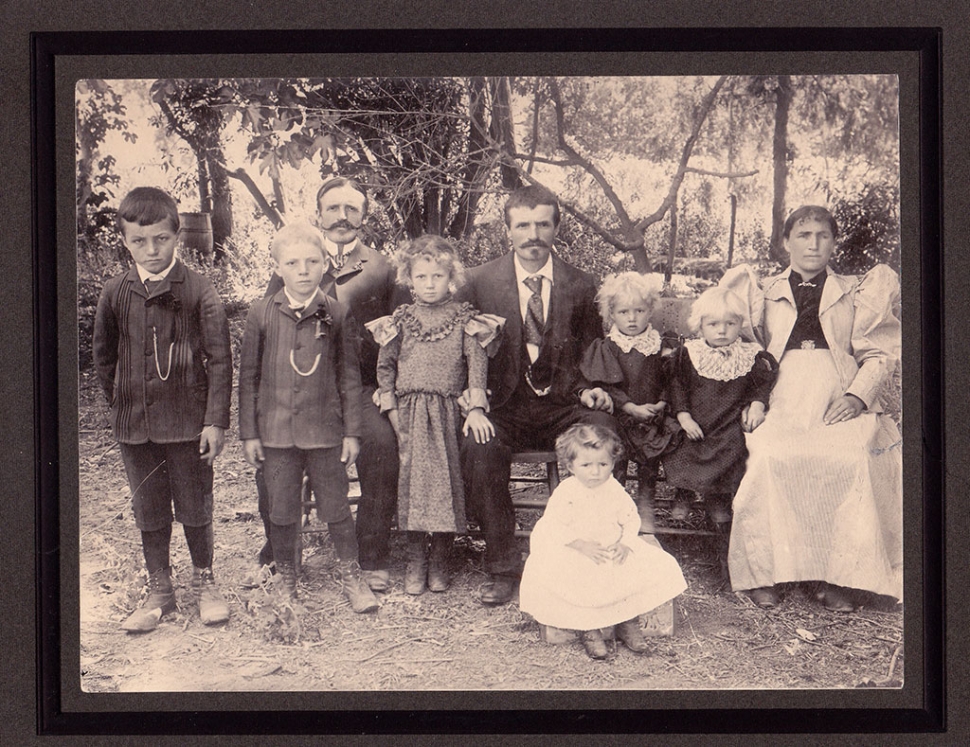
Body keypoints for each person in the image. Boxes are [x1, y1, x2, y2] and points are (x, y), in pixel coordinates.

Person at [720, 205, 903, 611]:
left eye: (822, 235)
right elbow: (747, 351)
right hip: (779, 394)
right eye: (803, 236)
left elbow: (878, 353)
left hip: (836, 390)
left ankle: (840, 577)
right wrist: (756, 397)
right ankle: (766, 572)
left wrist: (857, 395)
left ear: (833, 243)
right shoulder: (762, 292)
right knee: (769, 457)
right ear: (786, 242)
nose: (814, 244)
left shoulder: (855, 290)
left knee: (851, 458)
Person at [456, 185, 616, 606]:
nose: (533, 235)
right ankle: (503, 566)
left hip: (563, 406)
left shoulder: (581, 284)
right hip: (504, 406)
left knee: (603, 433)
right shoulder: (478, 281)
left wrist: (590, 389)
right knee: (479, 446)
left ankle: (591, 553)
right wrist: (472, 400)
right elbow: (461, 350)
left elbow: (590, 349)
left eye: (542, 224)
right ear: (508, 230)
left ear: (556, 227)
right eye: (523, 225)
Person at [246, 177, 405, 594]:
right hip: (299, 394)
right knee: (274, 458)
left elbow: (400, 333)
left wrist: (385, 385)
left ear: (364, 217)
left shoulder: (383, 268)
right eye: (333, 208)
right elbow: (269, 328)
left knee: (381, 445)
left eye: (352, 209)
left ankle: (370, 557)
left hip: (361, 389)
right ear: (319, 214)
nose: (342, 217)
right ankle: (280, 553)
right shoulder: (299, 259)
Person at [93, 186, 232, 633]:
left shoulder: (197, 289)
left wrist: (213, 421)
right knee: (149, 509)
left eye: (161, 239)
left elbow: (219, 358)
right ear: (125, 240)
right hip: (136, 429)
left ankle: (205, 582)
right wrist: (125, 403)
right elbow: (104, 359)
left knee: (194, 504)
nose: (151, 250)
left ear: (177, 236)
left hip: (189, 426)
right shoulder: (115, 293)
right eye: (139, 241)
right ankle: (161, 591)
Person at [238, 222, 378, 613]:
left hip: (325, 433)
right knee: (281, 509)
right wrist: (250, 433)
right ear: (277, 267)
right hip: (276, 433)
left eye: (312, 261)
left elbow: (349, 376)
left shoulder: (336, 310)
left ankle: (352, 574)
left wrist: (352, 432)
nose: (303, 270)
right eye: (293, 263)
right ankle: (287, 579)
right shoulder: (261, 312)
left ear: (324, 265)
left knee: (336, 505)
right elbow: (248, 376)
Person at [367, 235, 503, 595]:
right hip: (409, 411)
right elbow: (385, 369)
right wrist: (393, 413)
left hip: (447, 412)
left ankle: (442, 556)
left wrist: (474, 408)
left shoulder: (466, 319)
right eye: (422, 277)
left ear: (451, 277)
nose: (429, 284)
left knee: (446, 481)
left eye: (437, 277)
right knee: (411, 481)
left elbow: (477, 368)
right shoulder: (400, 319)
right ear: (409, 279)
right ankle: (415, 557)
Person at [519, 424, 687, 660]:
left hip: (609, 544)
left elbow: (630, 518)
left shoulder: (613, 488)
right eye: (586, 465)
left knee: (634, 567)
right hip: (576, 547)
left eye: (603, 465)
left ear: (612, 463)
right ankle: (589, 628)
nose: (595, 472)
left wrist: (626, 542)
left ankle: (626, 620)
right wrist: (580, 545)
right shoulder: (567, 492)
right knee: (580, 576)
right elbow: (555, 526)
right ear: (570, 466)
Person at [661, 286, 778, 576]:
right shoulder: (690, 353)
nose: (722, 331)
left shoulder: (750, 355)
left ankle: (719, 502)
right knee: (683, 443)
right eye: (713, 324)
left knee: (734, 448)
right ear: (700, 326)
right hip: (695, 422)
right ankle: (684, 491)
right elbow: (677, 385)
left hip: (726, 424)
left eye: (730, 324)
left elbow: (761, 385)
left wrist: (757, 403)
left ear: (741, 325)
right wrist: (684, 415)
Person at [579, 271, 679, 533]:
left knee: (650, 459)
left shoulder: (660, 344)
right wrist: (628, 406)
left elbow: (672, 380)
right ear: (611, 314)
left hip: (652, 415)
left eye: (639, 310)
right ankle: (615, 507)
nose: (632, 318)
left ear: (650, 310)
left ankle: (646, 504)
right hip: (621, 416)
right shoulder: (608, 346)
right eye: (624, 312)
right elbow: (605, 385)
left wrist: (661, 404)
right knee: (615, 455)